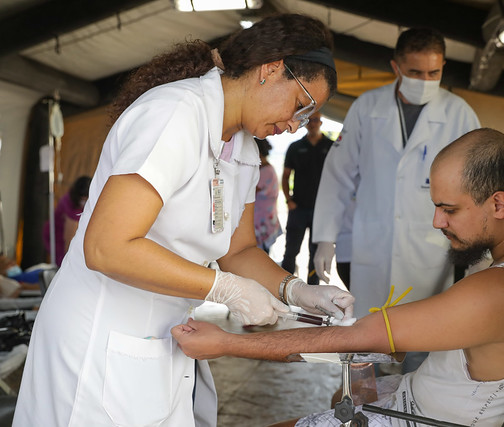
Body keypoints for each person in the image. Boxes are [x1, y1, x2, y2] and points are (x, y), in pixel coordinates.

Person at [14, 14, 354, 427]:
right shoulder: (174, 113)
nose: (294, 125)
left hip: (163, 336)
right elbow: (107, 246)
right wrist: (223, 288)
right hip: (99, 336)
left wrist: (294, 290)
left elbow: (239, 250)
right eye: (300, 107)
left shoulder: (244, 147)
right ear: (271, 69)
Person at [172, 128, 504, 426]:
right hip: (428, 400)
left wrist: (224, 343)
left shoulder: (503, 291)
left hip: (421, 418)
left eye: (450, 209)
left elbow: (354, 339)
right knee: (349, 393)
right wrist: (298, 290)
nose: (436, 221)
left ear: (499, 203)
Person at [312, 27, 480, 319]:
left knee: (427, 335)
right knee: (371, 334)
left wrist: (479, 248)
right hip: (373, 242)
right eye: (415, 72)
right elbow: (338, 174)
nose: (425, 81)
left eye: (433, 73)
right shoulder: (366, 107)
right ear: (396, 67)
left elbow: (479, 185)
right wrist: (326, 237)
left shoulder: (460, 114)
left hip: (431, 247)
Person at [281, 111, 333, 284]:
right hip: (299, 208)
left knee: (316, 254)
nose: (313, 123)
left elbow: (340, 177)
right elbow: (286, 176)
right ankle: (284, 289)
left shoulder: (331, 146)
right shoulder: (295, 147)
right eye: (309, 120)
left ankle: (313, 295)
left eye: (316, 120)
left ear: (321, 122)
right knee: (291, 251)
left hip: (322, 211)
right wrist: (289, 200)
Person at [42, 175, 91, 266]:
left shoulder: (87, 201)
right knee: (65, 263)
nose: (84, 202)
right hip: (58, 237)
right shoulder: (70, 204)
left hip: (65, 236)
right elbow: (68, 238)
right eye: (82, 199)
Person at [254, 138, 283, 254]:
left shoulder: (265, 171)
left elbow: (251, 190)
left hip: (262, 219)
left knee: (260, 255)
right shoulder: (265, 169)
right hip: (263, 218)